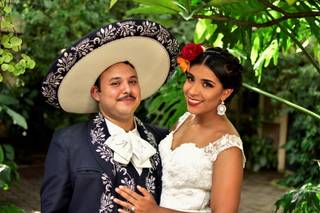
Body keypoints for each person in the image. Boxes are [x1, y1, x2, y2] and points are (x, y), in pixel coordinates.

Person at [40, 19, 179, 213]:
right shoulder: (68, 142)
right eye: (115, 83)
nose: (127, 89)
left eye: (133, 81)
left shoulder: (162, 139)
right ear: (96, 92)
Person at [113, 43, 246, 213]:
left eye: (207, 84)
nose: (192, 91)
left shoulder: (228, 147)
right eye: (191, 79)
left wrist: (155, 211)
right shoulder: (185, 120)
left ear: (225, 93)